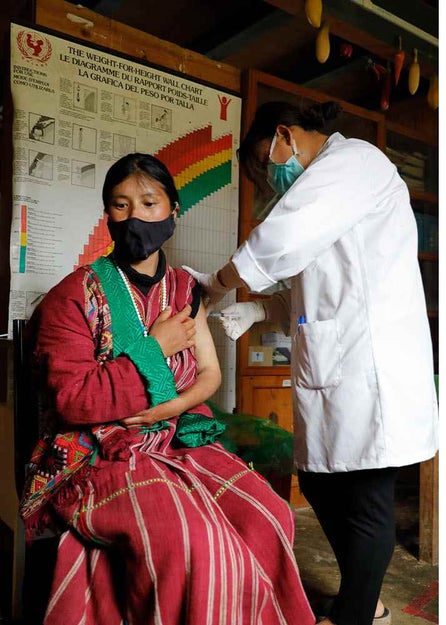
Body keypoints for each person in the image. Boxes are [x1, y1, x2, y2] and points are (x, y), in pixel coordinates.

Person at [18, 154, 312, 624]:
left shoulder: (183, 289)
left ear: (174, 212)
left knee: (269, 513)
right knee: (197, 543)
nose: (135, 216)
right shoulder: (73, 295)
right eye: (121, 205)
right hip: (99, 451)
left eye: (150, 202)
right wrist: (156, 348)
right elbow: (73, 401)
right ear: (108, 217)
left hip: (172, 436)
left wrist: (165, 410)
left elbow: (209, 376)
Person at [185, 101, 437, 625]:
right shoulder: (322, 192)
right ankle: (366, 601)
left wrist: (216, 284)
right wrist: (257, 308)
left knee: (368, 502)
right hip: (337, 366)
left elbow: (279, 243)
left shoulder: (354, 164)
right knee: (321, 481)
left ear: (285, 136)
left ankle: (357, 615)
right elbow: (308, 292)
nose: (272, 177)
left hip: (372, 368)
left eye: (265, 161)